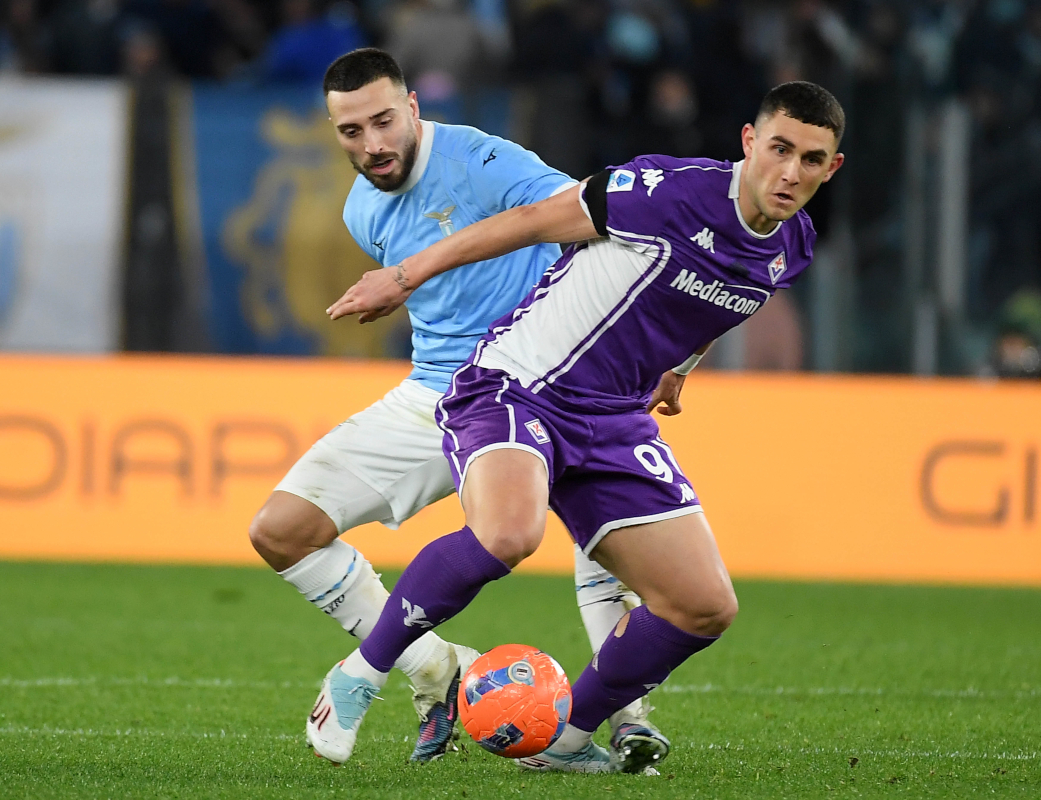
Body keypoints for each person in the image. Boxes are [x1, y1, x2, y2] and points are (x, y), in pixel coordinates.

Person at [311, 80, 845, 773]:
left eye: (810, 159)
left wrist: (680, 367)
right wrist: (405, 276)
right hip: (519, 384)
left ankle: (565, 736)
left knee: (704, 606)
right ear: (749, 142)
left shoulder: (791, 245)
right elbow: (532, 221)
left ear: (831, 168)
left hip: (613, 419)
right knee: (508, 534)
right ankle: (359, 674)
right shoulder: (664, 191)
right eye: (779, 149)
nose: (790, 172)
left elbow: (721, 300)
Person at [249, 47, 665, 764]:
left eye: (384, 121)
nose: (372, 144)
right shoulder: (361, 208)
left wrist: (634, 345)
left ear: (413, 108)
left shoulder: (481, 160)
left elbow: (592, 220)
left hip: (542, 380)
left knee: (599, 528)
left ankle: (625, 715)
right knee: (281, 530)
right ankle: (438, 671)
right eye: (351, 132)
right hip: (438, 392)